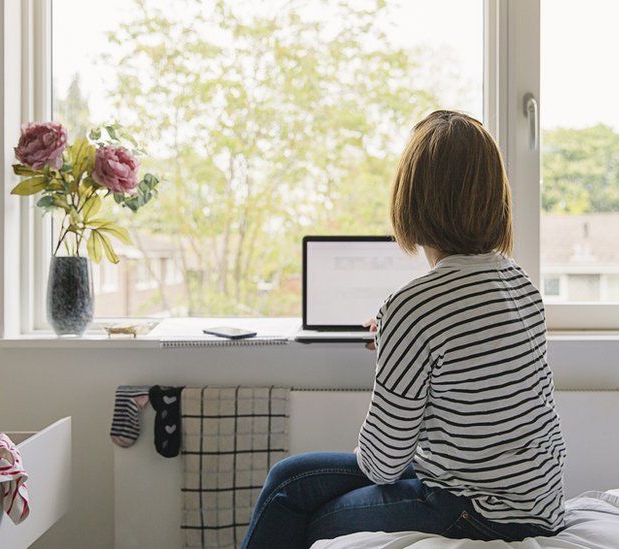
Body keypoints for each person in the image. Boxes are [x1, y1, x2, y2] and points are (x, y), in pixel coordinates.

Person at [242, 110, 565, 548]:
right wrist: (403, 339)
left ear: (412, 197)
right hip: (537, 501)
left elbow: (382, 465)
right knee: (287, 478)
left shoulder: (414, 305)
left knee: (299, 510)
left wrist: (398, 342)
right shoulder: (520, 283)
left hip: (476, 509)